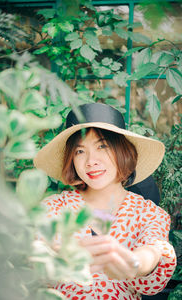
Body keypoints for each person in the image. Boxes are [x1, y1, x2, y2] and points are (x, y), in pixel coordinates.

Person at [34, 103, 176, 300]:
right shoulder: (54, 207)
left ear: (122, 151)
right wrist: (60, 255)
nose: (91, 161)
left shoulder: (148, 213)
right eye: (80, 151)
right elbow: (33, 249)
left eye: (102, 146)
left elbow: (154, 249)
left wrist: (133, 263)